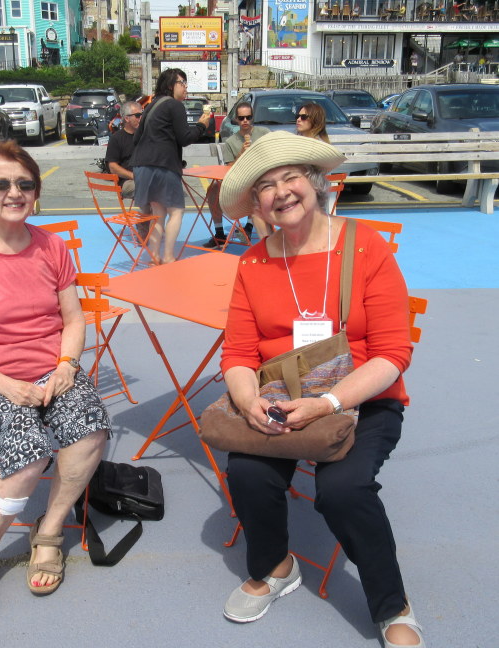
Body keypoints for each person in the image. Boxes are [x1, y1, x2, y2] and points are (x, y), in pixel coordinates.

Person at [216, 132, 426, 648]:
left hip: (363, 400)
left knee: (343, 489)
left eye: (290, 177)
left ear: (315, 183)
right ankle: (276, 566)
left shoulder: (366, 246)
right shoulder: (253, 262)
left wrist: (329, 401)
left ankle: (391, 603)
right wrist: (249, 402)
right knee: (246, 471)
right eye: (265, 186)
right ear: (256, 204)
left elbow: (392, 354)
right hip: (283, 397)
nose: (281, 192)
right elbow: (239, 354)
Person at [0, 138, 110, 624]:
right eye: (1, 184)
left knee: (90, 428)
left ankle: (48, 531)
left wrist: (67, 365)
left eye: (25, 183)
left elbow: (72, 319)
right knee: (29, 452)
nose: (15, 192)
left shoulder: (51, 247)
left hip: (53, 370)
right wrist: (6, 385)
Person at [130, 68, 210, 264]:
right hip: (163, 165)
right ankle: (167, 256)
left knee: (158, 212)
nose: (185, 87)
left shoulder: (151, 105)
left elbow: (136, 139)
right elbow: (185, 138)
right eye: (181, 82)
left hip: (142, 165)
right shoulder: (175, 106)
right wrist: (201, 125)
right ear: (169, 85)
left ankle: (154, 256)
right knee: (176, 211)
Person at [203, 101, 272, 248]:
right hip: (239, 181)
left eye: (248, 117)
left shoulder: (264, 133)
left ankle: (248, 227)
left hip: (262, 179)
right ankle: (219, 233)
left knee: (257, 185)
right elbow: (228, 169)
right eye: (241, 118)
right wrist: (240, 154)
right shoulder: (231, 142)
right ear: (236, 120)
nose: (245, 121)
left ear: (252, 117)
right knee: (213, 189)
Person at [105, 100, 143, 199]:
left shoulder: (145, 136)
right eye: (138, 115)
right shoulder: (116, 138)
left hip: (147, 177)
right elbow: (112, 167)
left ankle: (152, 214)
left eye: (143, 115)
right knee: (148, 188)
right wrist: (134, 176)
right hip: (128, 181)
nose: (141, 118)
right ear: (127, 118)